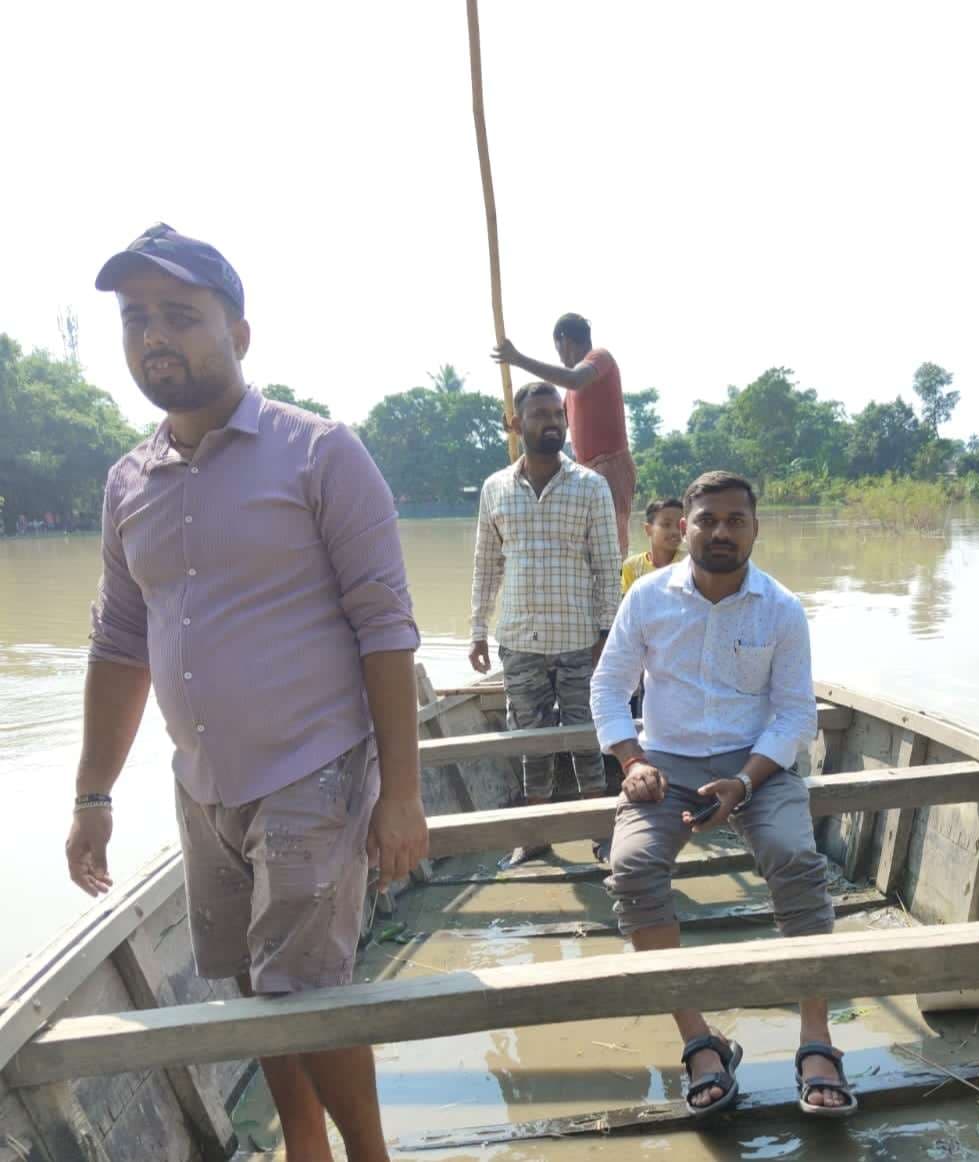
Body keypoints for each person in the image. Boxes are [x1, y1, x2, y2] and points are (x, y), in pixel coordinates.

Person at [68, 222, 426, 1162]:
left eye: (181, 316)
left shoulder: (319, 453)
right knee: (243, 981)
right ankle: (303, 1147)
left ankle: (368, 1156)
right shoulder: (127, 482)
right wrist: (92, 795)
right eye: (136, 319)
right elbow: (118, 642)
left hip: (314, 762)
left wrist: (403, 794)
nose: (155, 337)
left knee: (301, 989)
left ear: (239, 334)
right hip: (204, 784)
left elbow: (386, 629)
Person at [590, 470, 857, 1120]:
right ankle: (701, 1044)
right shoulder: (648, 598)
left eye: (735, 520)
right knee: (630, 868)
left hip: (757, 765)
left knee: (794, 857)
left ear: (754, 529)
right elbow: (607, 687)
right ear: (684, 526)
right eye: (707, 519)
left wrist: (742, 783)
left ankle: (816, 1042)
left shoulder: (781, 607)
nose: (720, 532)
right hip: (667, 766)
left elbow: (794, 715)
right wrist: (632, 761)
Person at [469, 381, 621, 868]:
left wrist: (606, 633)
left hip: (579, 638)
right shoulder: (495, 488)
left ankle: (602, 834)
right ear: (516, 424)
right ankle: (535, 836)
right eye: (540, 415)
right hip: (518, 639)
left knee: (585, 735)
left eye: (558, 413)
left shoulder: (590, 486)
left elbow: (606, 565)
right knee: (529, 739)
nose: (553, 421)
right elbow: (485, 563)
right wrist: (476, 628)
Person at [492, 313, 636, 556]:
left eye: (558, 348)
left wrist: (517, 359)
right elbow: (554, 426)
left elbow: (574, 379)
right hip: (585, 471)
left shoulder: (599, 358)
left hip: (610, 465)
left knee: (609, 545)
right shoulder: (570, 392)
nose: (559, 355)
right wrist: (519, 425)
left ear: (564, 341)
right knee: (585, 543)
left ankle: (616, 590)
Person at [621, 497, 684, 595]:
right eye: (666, 525)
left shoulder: (688, 564)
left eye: (679, 526)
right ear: (648, 529)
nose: (675, 531)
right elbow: (628, 605)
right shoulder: (632, 567)